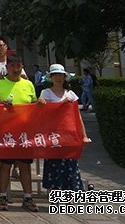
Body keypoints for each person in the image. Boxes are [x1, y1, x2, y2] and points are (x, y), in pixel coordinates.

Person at [0, 55, 39, 212]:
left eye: (19, 66)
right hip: (6, 132)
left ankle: (28, 197)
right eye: (12, 66)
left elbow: (34, 105)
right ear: (7, 67)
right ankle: (2, 196)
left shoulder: (28, 84)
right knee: (4, 166)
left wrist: (41, 103)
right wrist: (0, 104)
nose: (16, 69)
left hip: (24, 132)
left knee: (25, 166)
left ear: (22, 67)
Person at [38, 63, 91, 192]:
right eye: (55, 75)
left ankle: (70, 195)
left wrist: (84, 136)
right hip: (53, 135)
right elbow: (44, 113)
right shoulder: (45, 93)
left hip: (68, 135)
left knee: (70, 165)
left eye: (61, 75)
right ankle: (55, 195)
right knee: (53, 166)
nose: (58, 78)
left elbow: (78, 117)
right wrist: (60, 103)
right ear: (51, 77)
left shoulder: (71, 94)